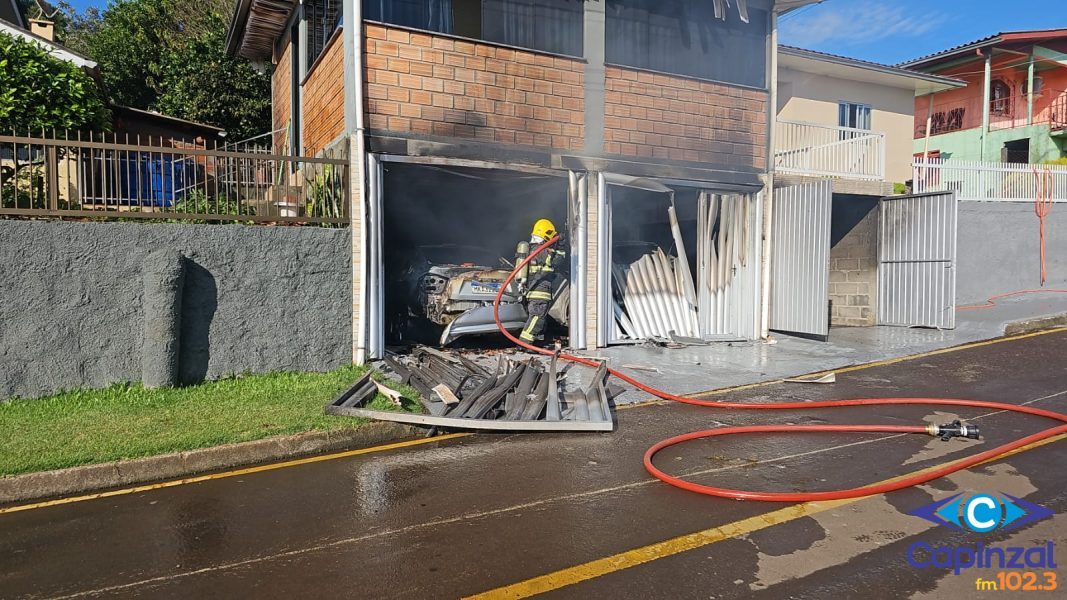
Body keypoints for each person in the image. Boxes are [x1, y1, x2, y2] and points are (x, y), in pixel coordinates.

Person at [519, 218, 566, 344]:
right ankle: (525, 343)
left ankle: (533, 341)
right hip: (539, 289)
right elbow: (557, 261)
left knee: (536, 317)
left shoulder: (531, 249)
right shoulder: (542, 251)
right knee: (537, 317)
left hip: (533, 288)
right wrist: (561, 245)